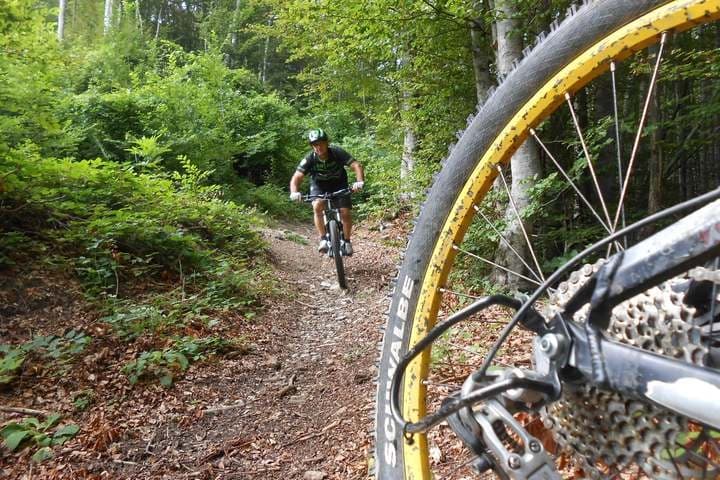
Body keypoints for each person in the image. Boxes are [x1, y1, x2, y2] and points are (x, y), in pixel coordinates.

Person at [289, 129, 365, 256]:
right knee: (317, 206)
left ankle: (347, 241)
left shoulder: (337, 152)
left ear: (327, 143)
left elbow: (356, 165)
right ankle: (323, 239)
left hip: (339, 183)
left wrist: (359, 181)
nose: (318, 147)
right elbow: (296, 177)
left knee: (345, 211)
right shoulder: (310, 158)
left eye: (321, 143)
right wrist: (294, 192)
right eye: (315, 144)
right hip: (319, 185)